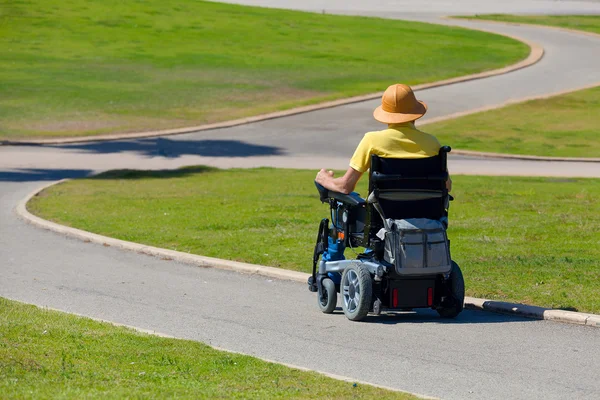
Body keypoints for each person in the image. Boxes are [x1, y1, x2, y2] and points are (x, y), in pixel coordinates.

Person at [315, 83, 452, 264]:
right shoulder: (432, 143)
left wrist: (324, 179)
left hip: (383, 218)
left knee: (341, 208)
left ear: (386, 114)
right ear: (415, 113)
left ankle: (331, 272)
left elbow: (345, 187)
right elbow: (446, 185)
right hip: (427, 217)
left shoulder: (373, 140)